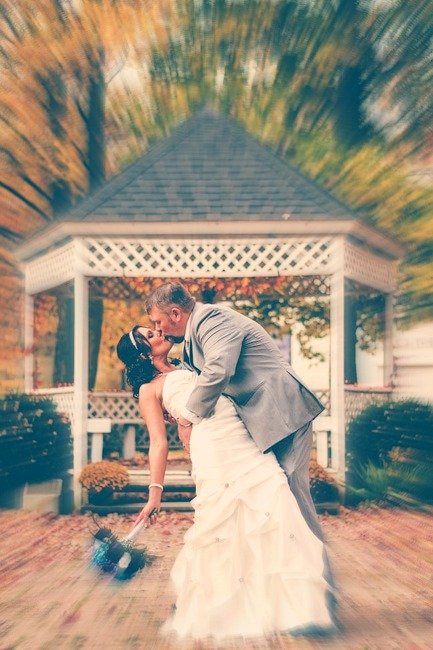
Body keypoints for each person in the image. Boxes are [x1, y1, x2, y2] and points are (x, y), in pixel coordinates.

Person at [117, 326, 335, 640]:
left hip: (242, 435)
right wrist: (155, 494)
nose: (159, 331)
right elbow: (157, 444)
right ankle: (219, 605)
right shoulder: (148, 390)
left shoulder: (188, 363)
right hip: (214, 449)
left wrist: (182, 419)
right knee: (222, 524)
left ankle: (298, 608)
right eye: (150, 334)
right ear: (142, 353)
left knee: (276, 502)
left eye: (155, 328)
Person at [144, 282, 335, 592]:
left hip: (282, 411)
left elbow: (219, 370)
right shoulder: (192, 340)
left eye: (158, 321)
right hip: (260, 421)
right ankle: (292, 592)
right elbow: (201, 383)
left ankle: (321, 592)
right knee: (279, 503)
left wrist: (185, 418)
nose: (159, 329)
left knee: (293, 501)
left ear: (176, 313)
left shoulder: (213, 320)